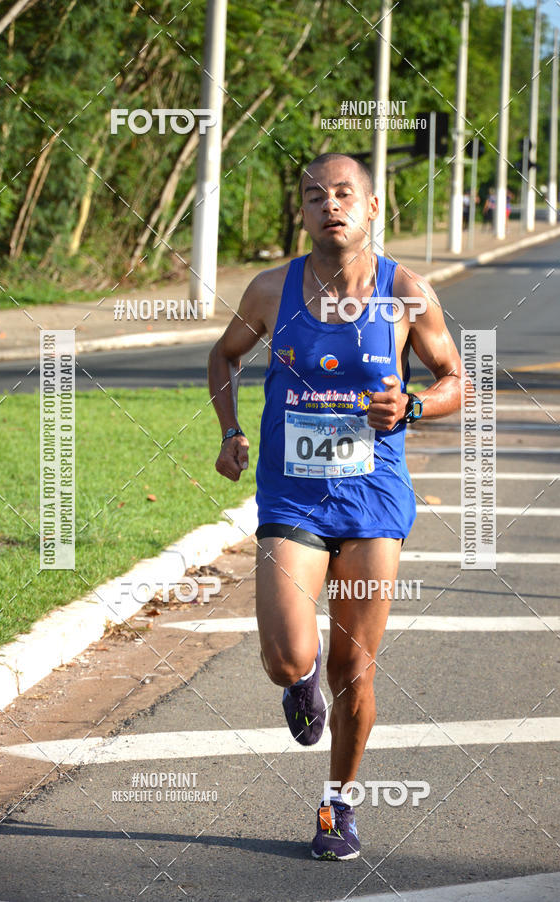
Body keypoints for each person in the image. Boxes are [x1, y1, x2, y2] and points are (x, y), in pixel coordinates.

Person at [208, 152, 462, 860]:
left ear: (373, 208)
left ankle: (337, 806)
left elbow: (455, 382)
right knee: (288, 659)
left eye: (344, 194)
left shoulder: (407, 293)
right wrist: (230, 431)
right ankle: (299, 685)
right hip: (294, 493)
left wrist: (412, 404)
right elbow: (222, 357)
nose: (330, 205)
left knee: (355, 669)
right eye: (315, 195)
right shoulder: (269, 289)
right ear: (304, 211)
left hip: (374, 496)